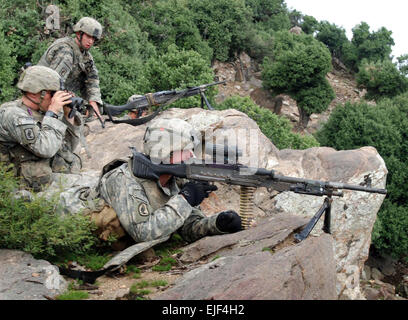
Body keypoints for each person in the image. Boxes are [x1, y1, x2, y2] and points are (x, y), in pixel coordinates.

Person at [98, 118, 242, 245]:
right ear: (165, 152)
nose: (191, 155)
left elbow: (187, 228)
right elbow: (142, 233)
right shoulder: (124, 179)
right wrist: (185, 199)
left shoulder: (173, 179)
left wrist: (217, 224)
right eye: (186, 150)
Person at [0, 65, 83, 191]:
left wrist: (67, 116)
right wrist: (53, 113)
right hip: (20, 189)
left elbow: (68, 147)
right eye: (53, 93)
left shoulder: (41, 112)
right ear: (34, 93)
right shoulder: (13, 115)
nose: (56, 98)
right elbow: (46, 148)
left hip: (47, 178)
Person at [37, 17, 103, 121]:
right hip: (43, 98)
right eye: (88, 36)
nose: (90, 41)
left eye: (93, 39)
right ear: (78, 34)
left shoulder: (86, 56)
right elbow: (53, 84)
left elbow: (92, 80)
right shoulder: (66, 50)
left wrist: (93, 103)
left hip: (62, 96)